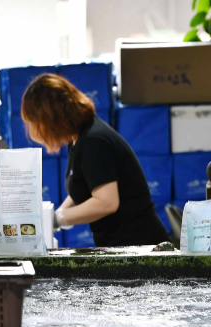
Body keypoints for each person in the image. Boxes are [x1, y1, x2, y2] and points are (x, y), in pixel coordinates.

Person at [21, 73, 169, 247]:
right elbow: (83, 188)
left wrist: (56, 219)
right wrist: (54, 214)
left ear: (52, 117)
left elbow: (106, 203)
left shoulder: (93, 141)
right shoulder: (77, 138)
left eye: (37, 123)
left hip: (139, 245)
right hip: (119, 244)